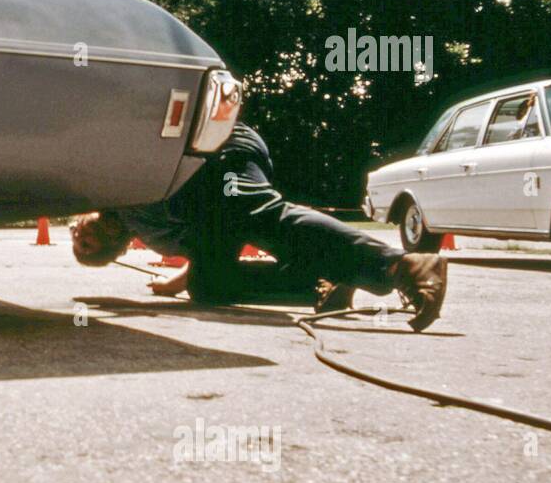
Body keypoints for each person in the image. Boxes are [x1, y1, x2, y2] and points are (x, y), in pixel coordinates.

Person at [70, 122, 448, 331]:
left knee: (257, 214)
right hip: (210, 187)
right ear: (111, 251)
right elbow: (208, 245)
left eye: (76, 236)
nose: (80, 239)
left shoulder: (109, 191)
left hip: (215, 151)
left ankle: (399, 265)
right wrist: (183, 280)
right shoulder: (156, 239)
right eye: (86, 249)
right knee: (208, 285)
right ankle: (320, 281)